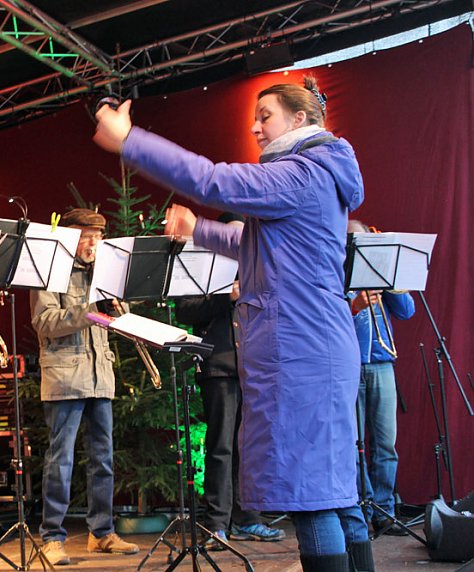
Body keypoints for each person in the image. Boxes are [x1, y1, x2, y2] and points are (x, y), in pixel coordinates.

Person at [94, 77, 374, 571]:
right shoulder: (317, 176)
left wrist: (129, 138)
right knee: (335, 490)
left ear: (300, 120)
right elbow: (252, 245)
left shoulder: (300, 174)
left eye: (265, 116)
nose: (255, 127)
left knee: (311, 498)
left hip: (300, 348)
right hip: (316, 342)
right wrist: (197, 229)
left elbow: (210, 179)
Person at [30, 208, 139, 567]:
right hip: (64, 377)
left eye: (99, 235)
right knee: (60, 460)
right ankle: (52, 537)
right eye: (87, 235)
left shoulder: (103, 275)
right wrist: (92, 309)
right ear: (69, 236)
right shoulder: (50, 271)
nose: (94, 242)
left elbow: (114, 321)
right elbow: (45, 322)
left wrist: (120, 310)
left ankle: (101, 533)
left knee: (103, 459)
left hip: (99, 375)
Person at [175, 212, 284, 550]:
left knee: (252, 447)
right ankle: (217, 524)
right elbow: (185, 311)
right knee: (221, 446)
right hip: (220, 364)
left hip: (256, 367)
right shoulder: (203, 265)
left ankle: (249, 518)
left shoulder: (261, 267)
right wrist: (227, 297)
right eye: (234, 237)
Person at [347, 220, 415, 536]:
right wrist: (354, 305)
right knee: (355, 443)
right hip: (349, 366)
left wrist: (389, 275)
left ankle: (384, 511)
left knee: (386, 444)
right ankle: (362, 506)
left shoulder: (380, 274)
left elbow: (406, 310)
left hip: (382, 364)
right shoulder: (336, 269)